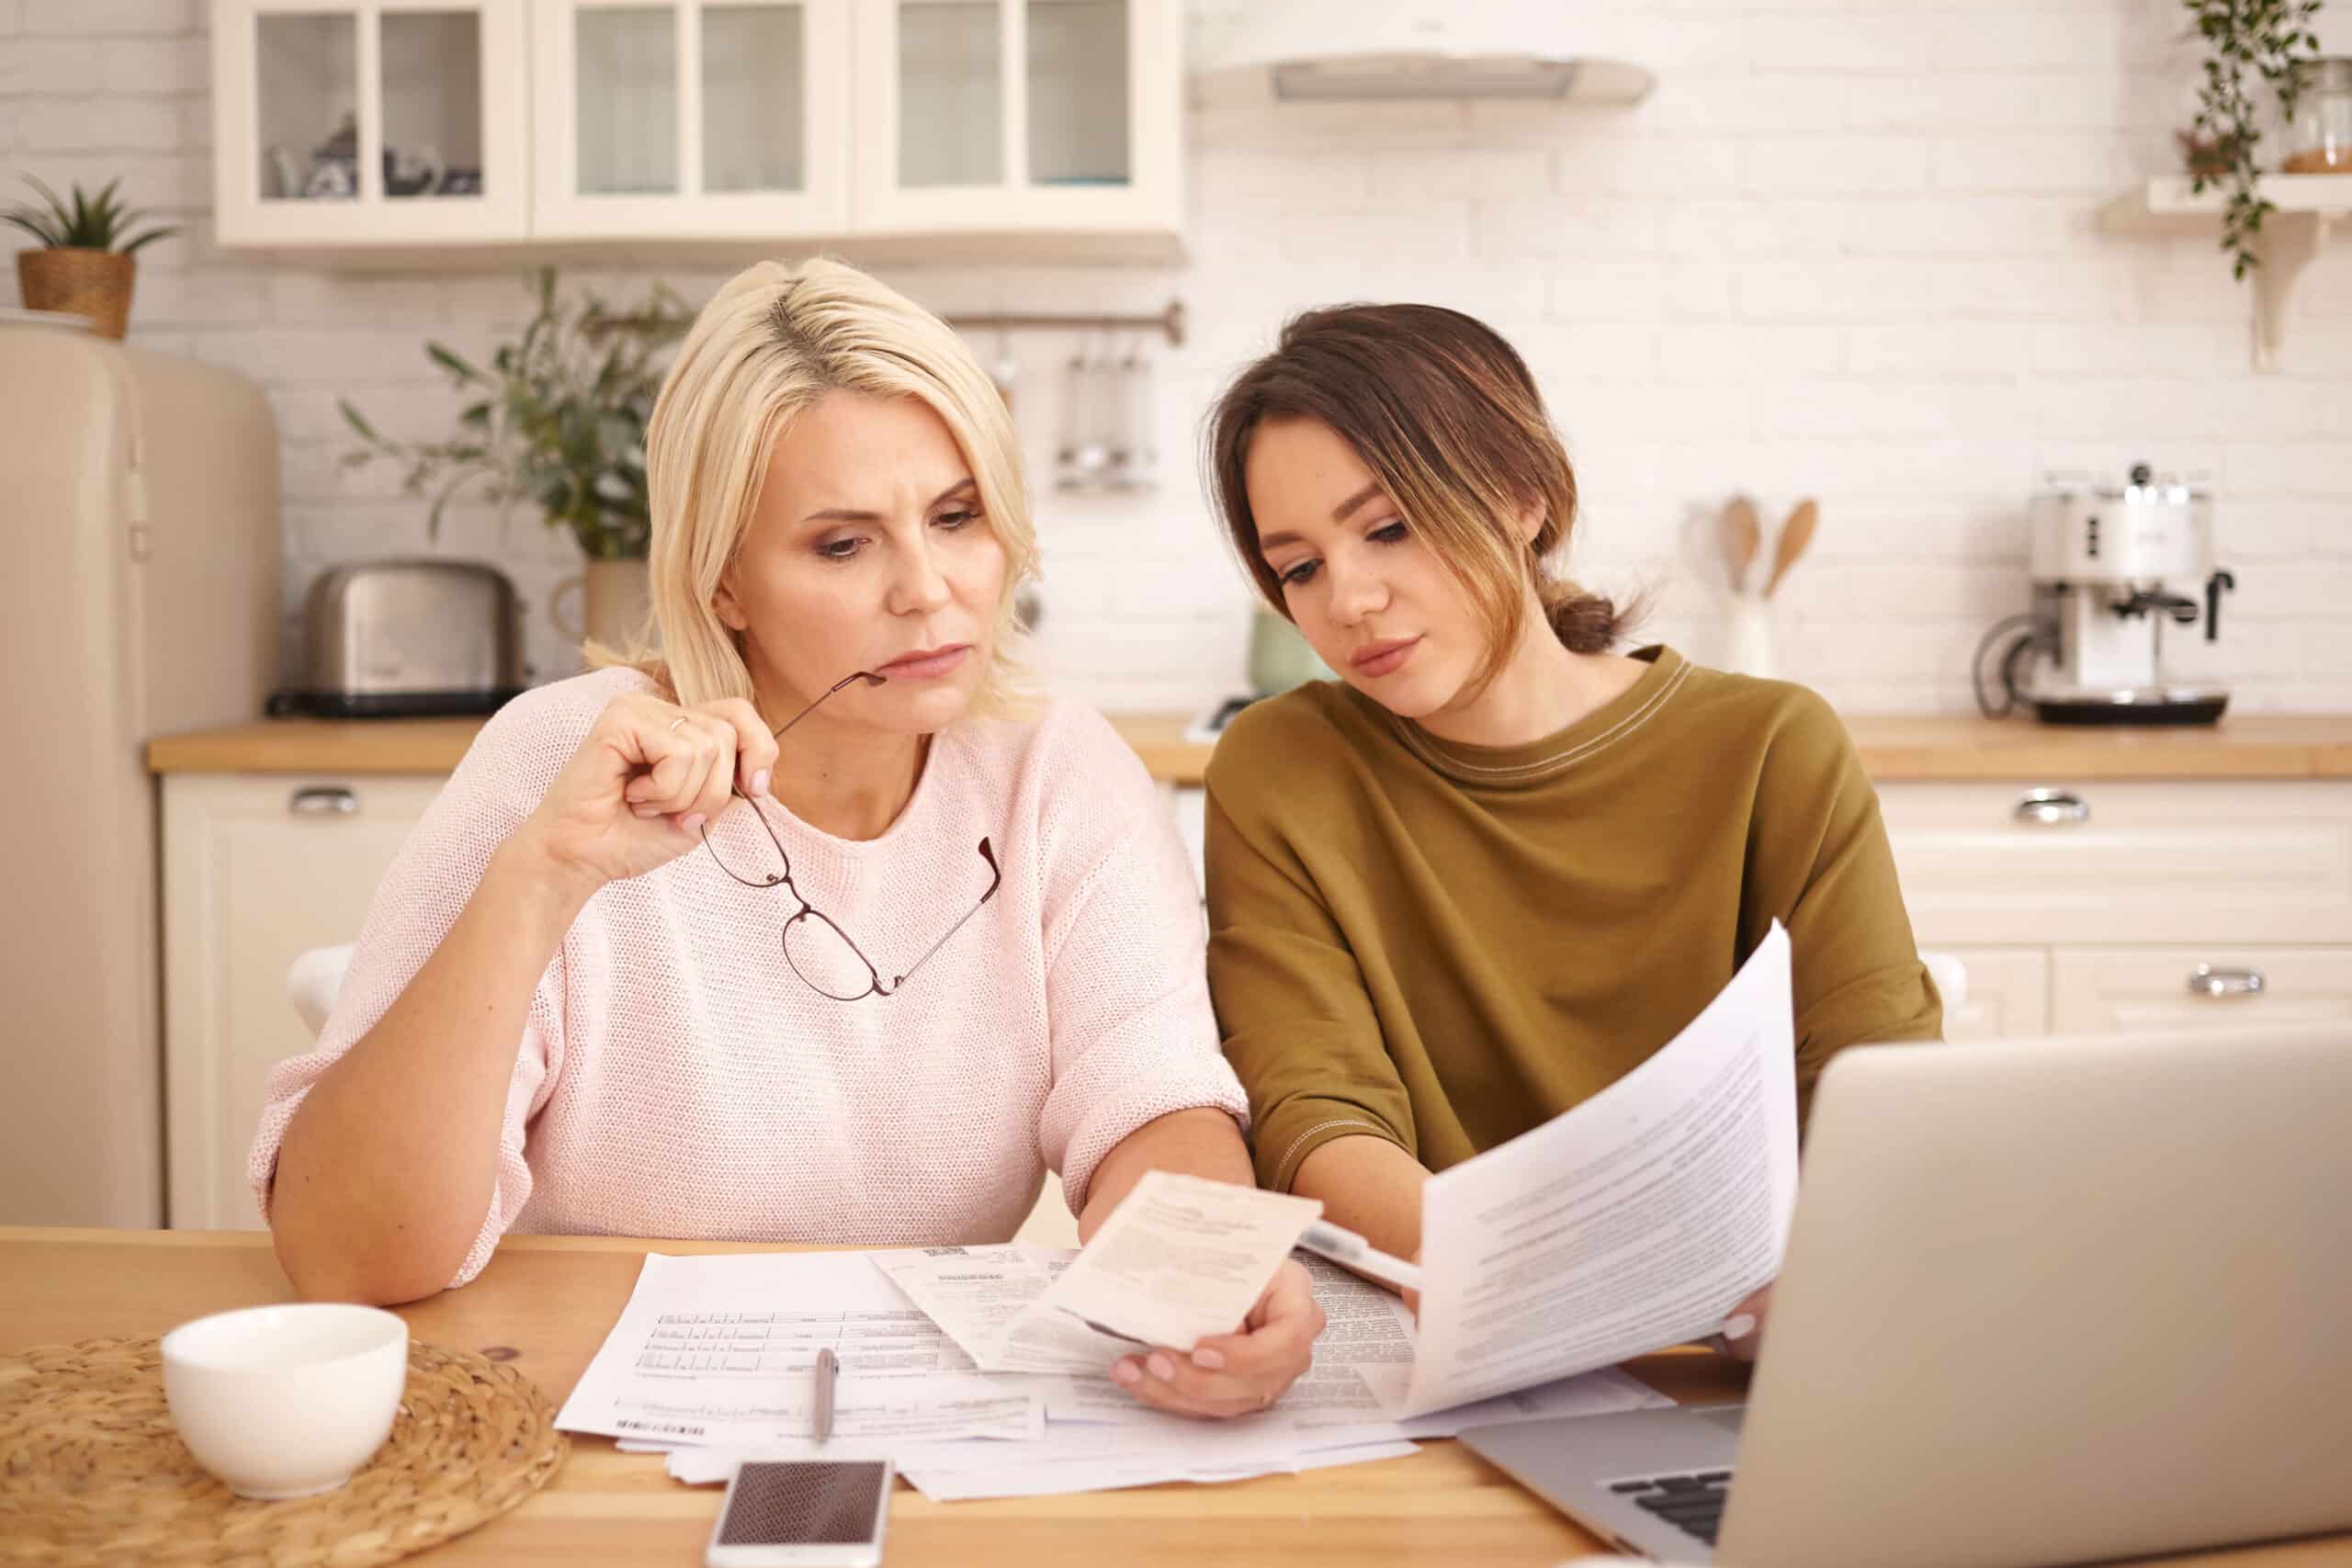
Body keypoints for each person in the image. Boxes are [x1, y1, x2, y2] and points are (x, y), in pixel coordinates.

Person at [252, 258, 1320, 1419]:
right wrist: (542, 882)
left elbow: (1148, 1093)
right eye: (842, 545)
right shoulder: (559, 760)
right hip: (559, 1402)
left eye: (956, 518)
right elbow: (349, 1262)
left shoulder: (1056, 771)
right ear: (724, 586)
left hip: (914, 1417)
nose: (928, 590)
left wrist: (1209, 1276)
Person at [1199, 302, 1941, 1354]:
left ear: (1519, 496)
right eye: (1300, 567)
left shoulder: (1771, 749)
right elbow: (1317, 1113)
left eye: (1388, 527)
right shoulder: (1283, 768)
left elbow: (1876, 1093)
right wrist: (1536, 1292)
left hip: (1740, 1353)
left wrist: (1807, 1291)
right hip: (1443, 1333)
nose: (1347, 601)